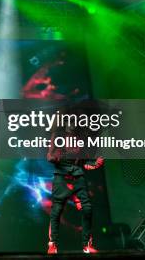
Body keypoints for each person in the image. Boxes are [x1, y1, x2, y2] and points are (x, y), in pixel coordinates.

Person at [46, 102, 104, 254]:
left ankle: (87, 245)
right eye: (69, 121)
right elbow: (50, 156)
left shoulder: (81, 139)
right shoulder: (58, 136)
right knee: (57, 210)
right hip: (62, 177)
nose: (72, 124)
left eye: (75, 121)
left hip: (77, 176)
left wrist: (94, 165)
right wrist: (55, 158)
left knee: (87, 209)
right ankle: (52, 245)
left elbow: (84, 164)